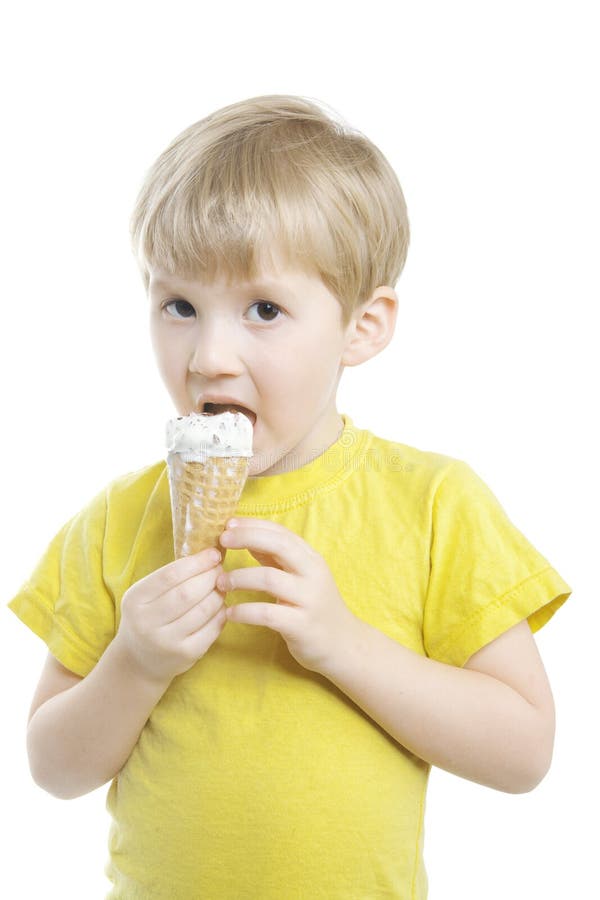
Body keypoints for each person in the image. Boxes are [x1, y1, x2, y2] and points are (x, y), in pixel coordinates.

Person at [8, 94, 571, 899]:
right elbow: (52, 769)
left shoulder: (434, 504)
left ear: (362, 326)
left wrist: (346, 644)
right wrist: (134, 664)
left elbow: (524, 753)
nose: (208, 356)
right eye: (179, 305)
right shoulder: (118, 519)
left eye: (263, 309)